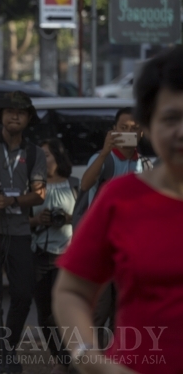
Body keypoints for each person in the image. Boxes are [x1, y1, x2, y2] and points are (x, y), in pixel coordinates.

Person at [53, 45, 183, 374]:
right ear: (149, 125)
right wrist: (88, 358)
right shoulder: (120, 198)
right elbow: (71, 291)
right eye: (171, 118)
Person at [78, 107, 152, 348]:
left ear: (142, 132)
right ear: (113, 130)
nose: (129, 132)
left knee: (122, 312)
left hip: (130, 250)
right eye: (123, 128)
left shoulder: (145, 165)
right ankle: (89, 361)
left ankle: (116, 360)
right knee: (98, 311)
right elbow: (85, 185)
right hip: (100, 248)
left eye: (134, 128)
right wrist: (104, 152)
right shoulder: (103, 159)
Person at [0, 91, 47, 373]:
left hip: (20, 231)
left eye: (21, 113)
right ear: (0, 115)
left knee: (22, 294)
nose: (14, 116)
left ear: (28, 118)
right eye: (9, 111)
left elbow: (39, 194)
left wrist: (12, 201)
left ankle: (7, 349)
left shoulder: (34, 153)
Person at [30, 139, 76, 374]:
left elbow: (86, 217)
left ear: (58, 157)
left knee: (67, 310)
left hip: (68, 256)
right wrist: (37, 220)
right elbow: (20, 221)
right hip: (40, 254)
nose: (42, 160)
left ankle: (68, 358)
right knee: (45, 313)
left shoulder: (74, 184)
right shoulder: (33, 187)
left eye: (46, 155)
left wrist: (69, 218)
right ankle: (59, 357)